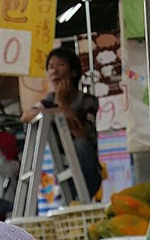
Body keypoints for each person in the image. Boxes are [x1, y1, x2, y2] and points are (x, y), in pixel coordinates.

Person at [21, 47, 102, 199]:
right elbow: (26, 116)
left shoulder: (88, 101)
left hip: (88, 173)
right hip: (63, 173)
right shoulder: (50, 100)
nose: (54, 71)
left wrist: (64, 105)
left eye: (60, 65)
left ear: (73, 72)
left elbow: (81, 134)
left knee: (81, 144)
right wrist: (59, 108)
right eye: (50, 67)